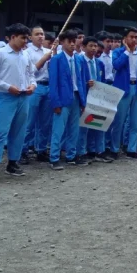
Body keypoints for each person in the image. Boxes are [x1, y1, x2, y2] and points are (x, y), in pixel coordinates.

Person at [0, 23, 36, 179]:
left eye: (27, 38)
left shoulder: (25, 55)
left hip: (23, 97)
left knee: (19, 131)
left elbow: (31, 74)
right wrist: (7, 87)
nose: (26, 41)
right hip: (5, 97)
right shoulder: (0, 54)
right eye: (23, 38)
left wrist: (33, 85)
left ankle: (13, 163)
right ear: (12, 37)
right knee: (0, 131)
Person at [47, 30, 85, 170]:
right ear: (62, 42)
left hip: (76, 96)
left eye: (74, 41)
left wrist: (83, 101)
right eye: (69, 41)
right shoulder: (56, 59)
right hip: (62, 98)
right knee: (58, 129)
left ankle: (71, 155)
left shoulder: (78, 59)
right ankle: (54, 157)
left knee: (74, 129)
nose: (72, 44)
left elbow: (80, 81)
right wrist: (55, 102)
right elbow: (53, 83)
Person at [109, 27, 137, 160]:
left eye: (136, 37)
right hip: (123, 88)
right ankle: (114, 148)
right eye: (131, 37)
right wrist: (126, 51)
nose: (134, 39)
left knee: (135, 122)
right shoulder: (118, 52)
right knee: (119, 121)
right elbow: (116, 65)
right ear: (125, 39)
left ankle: (132, 148)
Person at [24, 26, 55, 164]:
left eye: (42, 34)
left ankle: (41, 150)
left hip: (48, 86)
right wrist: (44, 59)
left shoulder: (49, 51)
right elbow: (30, 72)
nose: (40, 36)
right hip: (34, 86)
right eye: (37, 34)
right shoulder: (27, 52)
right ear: (30, 37)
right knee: (29, 121)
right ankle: (23, 150)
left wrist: (53, 55)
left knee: (45, 122)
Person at [79, 36, 109, 162]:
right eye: (90, 46)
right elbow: (77, 80)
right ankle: (81, 151)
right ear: (83, 47)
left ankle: (97, 150)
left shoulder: (99, 63)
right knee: (83, 125)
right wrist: (86, 83)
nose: (93, 48)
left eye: (95, 46)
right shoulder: (79, 61)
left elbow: (103, 80)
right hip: (84, 95)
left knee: (97, 123)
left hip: (97, 96)